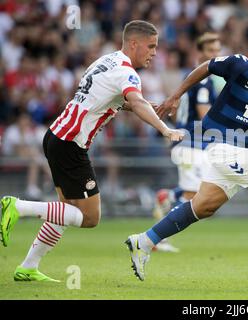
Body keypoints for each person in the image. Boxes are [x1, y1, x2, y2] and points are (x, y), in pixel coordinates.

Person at [0, 20, 184, 282]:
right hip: (71, 145)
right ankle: (17, 206)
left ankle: (28, 266)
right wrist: (165, 130)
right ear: (134, 43)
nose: (154, 52)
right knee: (89, 217)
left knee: (64, 210)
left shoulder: (105, 61)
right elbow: (134, 100)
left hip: (57, 136)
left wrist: (144, 105)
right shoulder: (127, 73)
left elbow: (114, 100)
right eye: (151, 46)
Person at [124, 31, 248, 281]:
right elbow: (207, 67)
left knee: (203, 207)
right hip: (220, 146)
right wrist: (176, 95)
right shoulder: (242, 65)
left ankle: (144, 241)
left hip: (245, 152)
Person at [152, 32, 222, 253]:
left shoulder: (189, 75)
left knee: (194, 193)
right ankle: (156, 237)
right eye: (211, 51)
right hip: (192, 144)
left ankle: (167, 197)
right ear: (200, 53)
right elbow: (204, 114)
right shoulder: (204, 81)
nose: (215, 55)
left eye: (218, 51)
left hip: (188, 142)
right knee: (194, 196)